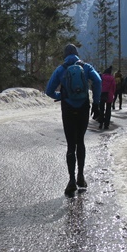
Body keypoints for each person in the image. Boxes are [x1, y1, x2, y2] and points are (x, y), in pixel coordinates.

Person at [46, 43, 102, 195]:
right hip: (83, 107)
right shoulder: (86, 67)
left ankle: (71, 180)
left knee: (71, 144)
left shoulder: (61, 69)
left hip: (68, 109)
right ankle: (81, 176)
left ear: (65, 55)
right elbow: (98, 81)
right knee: (80, 141)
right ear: (77, 54)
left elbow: (49, 90)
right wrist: (96, 102)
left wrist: (61, 96)